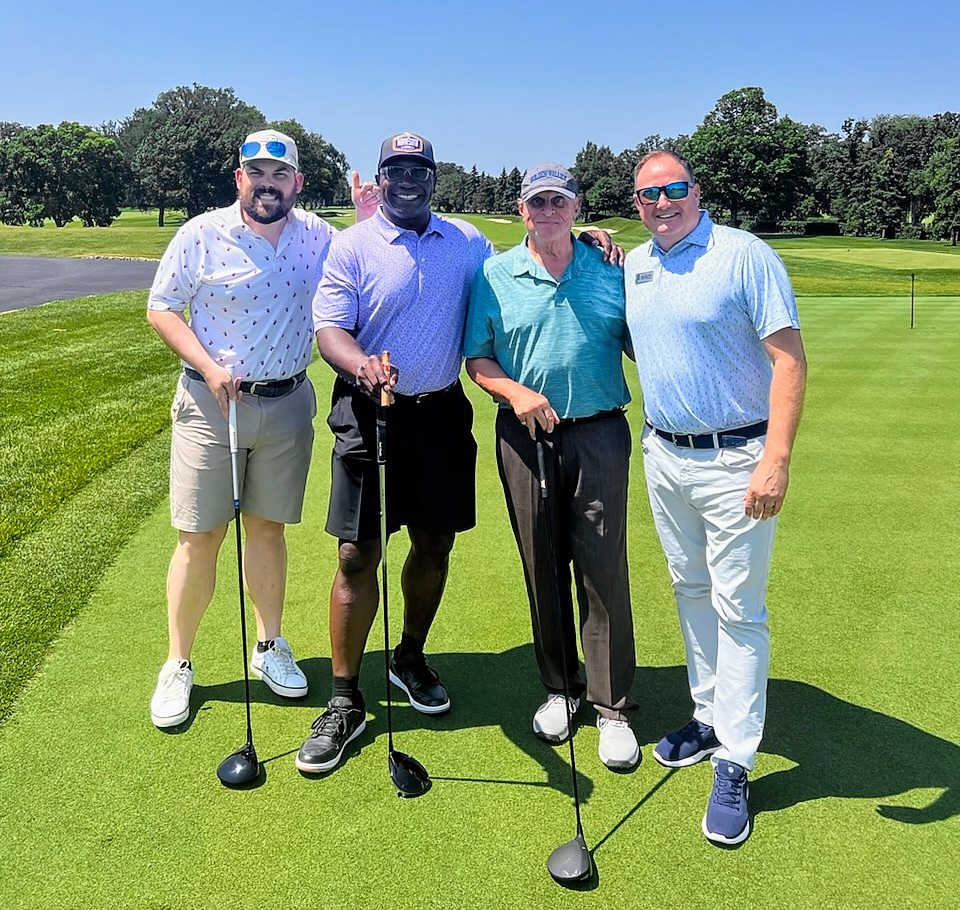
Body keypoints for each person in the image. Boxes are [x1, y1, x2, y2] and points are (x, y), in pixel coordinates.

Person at [297, 133, 619, 774]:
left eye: (419, 170)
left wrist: (581, 240)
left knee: (434, 543)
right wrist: (362, 364)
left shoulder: (468, 243)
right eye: (397, 169)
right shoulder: (352, 246)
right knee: (358, 554)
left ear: (433, 178)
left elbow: (529, 258)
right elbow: (329, 328)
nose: (408, 179)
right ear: (383, 177)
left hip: (442, 415)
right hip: (369, 412)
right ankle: (343, 697)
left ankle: (409, 656)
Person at [146, 128, 377, 729]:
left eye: (280, 174)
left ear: (297, 183)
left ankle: (270, 645)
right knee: (200, 537)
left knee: (267, 530)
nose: (267, 183)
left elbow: (365, 264)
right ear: (239, 178)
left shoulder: (320, 237)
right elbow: (162, 307)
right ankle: (179, 662)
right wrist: (205, 363)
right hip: (210, 404)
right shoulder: (201, 233)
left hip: (288, 402)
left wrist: (365, 219)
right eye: (257, 172)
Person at [624, 150, 807, 844]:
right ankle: (706, 716)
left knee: (740, 609)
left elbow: (789, 360)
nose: (661, 202)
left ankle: (735, 758)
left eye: (673, 189)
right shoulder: (638, 264)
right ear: (636, 202)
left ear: (695, 191)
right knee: (689, 588)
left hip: (738, 459)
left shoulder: (743, 256)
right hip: (664, 453)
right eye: (648, 194)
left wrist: (775, 460)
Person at [463, 163, 639, 770]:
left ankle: (611, 705)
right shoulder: (494, 273)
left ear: (576, 207)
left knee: (602, 567)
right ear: (522, 211)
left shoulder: (611, 268)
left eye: (558, 202)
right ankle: (561, 688)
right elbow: (479, 360)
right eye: (537, 203)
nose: (548, 212)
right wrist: (514, 392)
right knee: (542, 564)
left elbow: (643, 341)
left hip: (599, 432)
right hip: (525, 433)